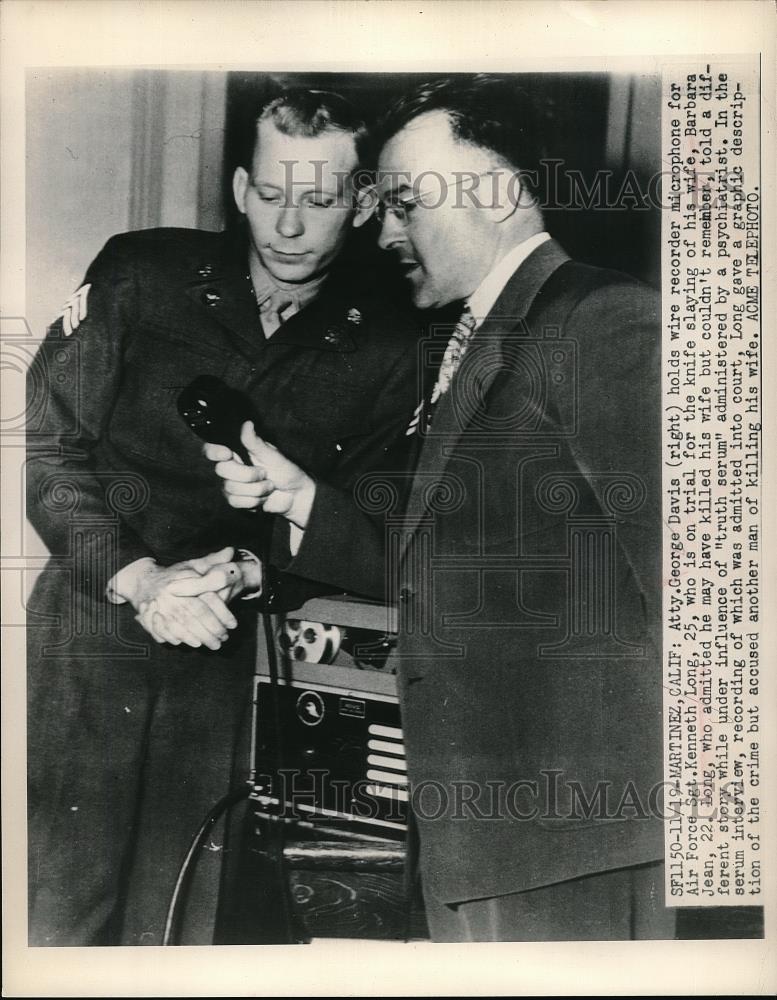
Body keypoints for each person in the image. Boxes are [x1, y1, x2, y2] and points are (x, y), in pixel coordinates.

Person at [206, 76, 671, 941]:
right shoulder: (475, 337)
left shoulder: (604, 322)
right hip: (477, 837)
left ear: (496, 196)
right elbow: (438, 561)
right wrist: (300, 501)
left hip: (572, 837)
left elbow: (701, 598)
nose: (382, 231)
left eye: (406, 203)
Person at [25, 88, 422, 945]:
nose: (286, 225)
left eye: (317, 202)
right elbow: (51, 455)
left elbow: (381, 530)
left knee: (184, 918)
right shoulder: (139, 275)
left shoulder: (394, 345)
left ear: (358, 206)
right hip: (90, 638)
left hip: (239, 660)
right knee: (48, 912)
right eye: (271, 194)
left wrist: (250, 572)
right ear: (240, 186)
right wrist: (142, 579)